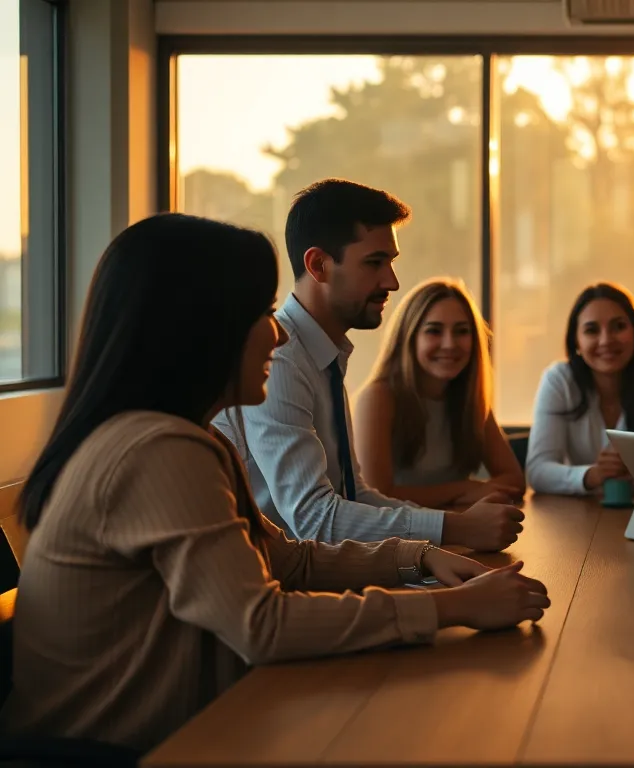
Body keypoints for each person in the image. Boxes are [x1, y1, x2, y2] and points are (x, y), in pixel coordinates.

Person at [0, 214, 550, 753]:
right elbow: (261, 625)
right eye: (261, 312)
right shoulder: (159, 451)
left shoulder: (189, 439)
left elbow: (290, 562)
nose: (280, 330)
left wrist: (420, 557)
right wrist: (453, 609)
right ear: (202, 329)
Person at [214, 179, 522, 551]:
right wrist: (454, 530)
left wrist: (455, 525)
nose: (391, 282)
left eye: (390, 263)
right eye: (375, 263)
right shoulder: (281, 358)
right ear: (318, 265)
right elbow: (313, 519)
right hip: (273, 581)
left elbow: (354, 495)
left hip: (319, 570)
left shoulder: (324, 356)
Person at [354, 278, 525, 508]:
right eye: (434, 331)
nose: (449, 344)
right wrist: (466, 489)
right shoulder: (377, 398)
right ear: (409, 337)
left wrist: (460, 496)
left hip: (458, 530)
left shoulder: (470, 398)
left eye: (462, 331)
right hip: (396, 537)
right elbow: (376, 496)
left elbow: (514, 481)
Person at [526, 283, 634, 495]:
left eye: (619, 326)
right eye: (591, 330)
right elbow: (538, 471)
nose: (606, 340)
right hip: (576, 517)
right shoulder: (558, 381)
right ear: (576, 341)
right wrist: (593, 474)